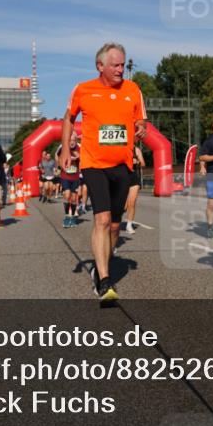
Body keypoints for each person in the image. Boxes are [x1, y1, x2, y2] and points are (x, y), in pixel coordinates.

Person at [61, 42, 147, 302]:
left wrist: (141, 128)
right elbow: (68, 118)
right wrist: (66, 149)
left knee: (114, 226)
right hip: (93, 163)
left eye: (122, 64)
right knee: (101, 219)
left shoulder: (133, 90)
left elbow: (140, 119)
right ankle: (104, 279)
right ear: (100, 66)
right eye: (115, 65)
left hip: (122, 164)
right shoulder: (83, 89)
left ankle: (102, 266)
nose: (120, 69)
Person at [57, 137, 81, 228]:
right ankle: (67, 217)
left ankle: (73, 218)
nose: (72, 142)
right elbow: (58, 159)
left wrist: (76, 156)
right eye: (70, 140)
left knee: (74, 198)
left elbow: (81, 158)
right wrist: (62, 163)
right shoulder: (63, 148)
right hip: (65, 176)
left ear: (76, 141)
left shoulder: (79, 148)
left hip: (75, 177)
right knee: (67, 195)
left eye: (74, 141)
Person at [122, 144, 146, 233]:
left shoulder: (137, 150)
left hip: (134, 179)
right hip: (122, 179)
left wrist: (138, 162)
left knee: (131, 203)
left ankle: (129, 225)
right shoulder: (121, 147)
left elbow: (143, 164)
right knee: (123, 205)